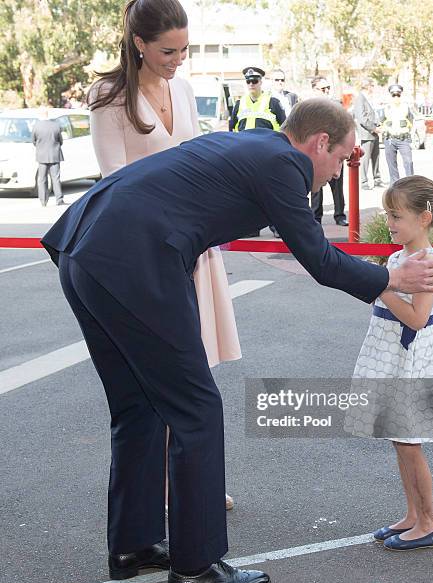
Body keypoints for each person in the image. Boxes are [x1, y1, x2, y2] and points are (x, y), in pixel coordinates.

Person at [41, 98, 433, 583]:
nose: (337, 170)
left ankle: (136, 542)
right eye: (341, 158)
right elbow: (317, 257)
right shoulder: (286, 165)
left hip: (84, 249)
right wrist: (390, 275)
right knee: (197, 410)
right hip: (133, 257)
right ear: (320, 143)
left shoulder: (255, 146)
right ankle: (196, 565)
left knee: (138, 406)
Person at [88, 0, 240, 517]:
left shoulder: (182, 87)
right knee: (164, 375)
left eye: (184, 50)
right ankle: (175, 488)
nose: (178, 60)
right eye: (168, 51)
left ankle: (190, 478)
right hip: (143, 256)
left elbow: (196, 160)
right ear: (138, 45)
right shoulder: (109, 96)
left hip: (194, 246)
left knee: (192, 369)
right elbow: (114, 183)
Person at [345, 175, 433, 551]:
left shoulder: (427, 260)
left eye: (396, 216)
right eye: (388, 215)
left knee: (410, 443)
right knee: (400, 441)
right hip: (393, 356)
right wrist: (384, 278)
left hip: (413, 360)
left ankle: (428, 523)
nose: (390, 223)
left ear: (424, 218)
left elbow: (416, 318)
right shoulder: (398, 257)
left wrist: (380, 284)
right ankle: (413, 514)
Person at [229, 66, 286, 238]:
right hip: (244, 155)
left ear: (261, 82)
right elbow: (232, 130)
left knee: (271, 192)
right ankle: (251, 227)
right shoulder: (239, 104)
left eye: (255, 80)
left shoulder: (273, 102)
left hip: (267, 154)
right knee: (248, 193)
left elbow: (284, 128)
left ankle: (277, 226)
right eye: (248, 81)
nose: (251, 84)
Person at [310, 76, 348, 226]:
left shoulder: (336, 105)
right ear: (314, 90)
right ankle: (315, 217)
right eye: (322, 89)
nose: (326, 91)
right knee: (315, 186)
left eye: (328, 88)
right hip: (316, 152)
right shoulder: (308, 109)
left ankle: (339, 215)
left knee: (337, 185)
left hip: (334, 150)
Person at [31, 108, 66, 207]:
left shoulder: (36, 126)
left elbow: (33, 141)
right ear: (47, 115)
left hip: (41, 156)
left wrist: (40, 147)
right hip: (55, 154)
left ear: (40, 115)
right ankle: (59, 199)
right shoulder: (56, 125)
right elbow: (60, 140)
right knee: (56, 178)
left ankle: (43, 201)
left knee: (42, 179)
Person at [353, 80, 385, 190]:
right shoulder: (360, 99)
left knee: (376, 157)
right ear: (367, 87)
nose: (373, 88)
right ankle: (364, 181)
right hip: (367, 134)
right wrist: (374, 128)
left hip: (374, 133)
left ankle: (377, 179)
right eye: (372, 86)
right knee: (365, 159)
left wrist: (378, 124)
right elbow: (362, 118)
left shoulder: (368, 98)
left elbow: (373, 114)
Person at [382, 84, 414, 185]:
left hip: (403, 139)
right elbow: (381, 121)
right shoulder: (386, 108)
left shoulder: (406, 107)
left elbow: (411, 120)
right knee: (392, 164)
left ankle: (411, 184)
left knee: (408, 162)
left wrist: (409, 131)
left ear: (401, 95)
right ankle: (395, 186)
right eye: (393, 95)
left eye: (398, 95)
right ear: (390, 96)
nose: (396, 97)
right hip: (390, 139)